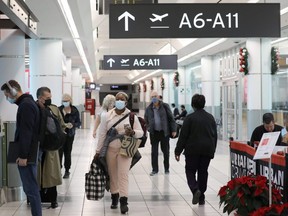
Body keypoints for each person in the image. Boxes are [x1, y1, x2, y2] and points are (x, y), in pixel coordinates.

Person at [95, 92, 143, 214]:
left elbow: (140, 132)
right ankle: (114, 196)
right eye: (117, 99)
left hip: (126, 149)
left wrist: (133, 133)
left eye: (122, 100)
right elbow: (102, 134)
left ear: (126, 103)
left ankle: (124, 201)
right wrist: (98, 151)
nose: (119, 101)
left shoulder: (131, 116)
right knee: (112, 175)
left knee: (123, 174)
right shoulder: (107, 116)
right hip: (110, 150)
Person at [1, 80, 42, 216]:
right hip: (30, 152)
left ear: (13, 91)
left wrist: (24, 156)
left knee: (31, 189)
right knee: (30, 188)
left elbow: (26, 133)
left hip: (28, 155)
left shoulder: (26, 106)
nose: (7, 98)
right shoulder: (28, 104)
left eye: (7, 94)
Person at [175, 94, 217, 206]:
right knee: (203, 172)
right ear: (204, 104)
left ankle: (195, 189)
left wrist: (177, 151)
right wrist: (213, 150)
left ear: (193, 104)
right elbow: (214, 136)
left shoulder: (189, 118)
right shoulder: (210, 117)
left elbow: (183, 136)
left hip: (192, 150)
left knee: (190, 170)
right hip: (207, 150)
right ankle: (201, 197)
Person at [36, 87, 66, 208]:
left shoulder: (54, 109)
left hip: (51, 148)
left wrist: (59, 137)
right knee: (37, 173)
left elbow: (61, 125)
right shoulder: (34, 109)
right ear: (40, 98)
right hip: (37, 146)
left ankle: (53, 199)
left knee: (51, 174)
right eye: (47, 98)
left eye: (50, 97)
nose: (49, 100)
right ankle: (36, 199)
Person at [144, 90, 177, 176]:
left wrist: (173, 130)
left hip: (164, 132)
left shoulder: (165, 106)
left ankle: (166, 168)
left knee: (165, 151)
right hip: (154, 133)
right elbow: (146, 119)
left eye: (155, 96)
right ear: (150, 99)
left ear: (158, 97)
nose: (154, 98)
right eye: (152, 97)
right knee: (154, 152)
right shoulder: (148, 109)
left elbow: (171, 119)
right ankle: (154, 169)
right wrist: (148, 127)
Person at [58, 93, 81, 178]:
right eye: (64, 101)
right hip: (60, 134)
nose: (65, 102)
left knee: (67, 152)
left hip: (70, 135)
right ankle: (58, 169)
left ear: (70, 101)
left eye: (67, 101)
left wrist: (73, 125)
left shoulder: (74, 110)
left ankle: (67, 170)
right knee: (59, 153)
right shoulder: (59, 109)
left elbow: (79, 122)